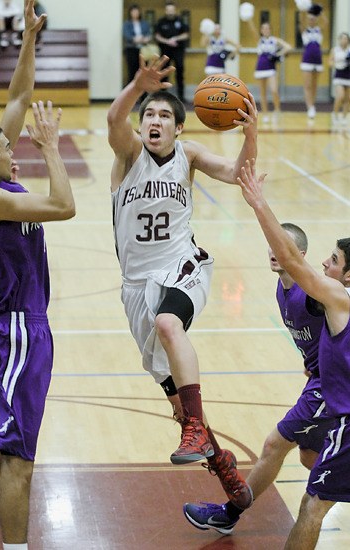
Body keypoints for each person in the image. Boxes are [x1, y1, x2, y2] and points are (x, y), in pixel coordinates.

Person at [107, 53, 258, 509]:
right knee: (180, 408)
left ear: (179, 128)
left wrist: (251, 135)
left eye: (164, 115)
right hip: (136, 288)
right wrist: (137, 85)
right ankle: (226, 471)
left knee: (171, 325)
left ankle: (198, 432)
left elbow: (236, 173)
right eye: (149, 114)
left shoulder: (187, 156)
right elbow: (115, 118)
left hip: (182, 265)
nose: (154, 120)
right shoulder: (128, 153)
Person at [0, 1, 75, 548]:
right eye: (6, 153)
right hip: (18, 329)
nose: (13, 153)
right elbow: (63, 206)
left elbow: (16, 98)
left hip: (2, 326)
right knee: (19, 459)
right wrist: (51, 150)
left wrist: (28, 41)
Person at [183, 222, 335, 535]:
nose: (274, 250)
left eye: (283, 245)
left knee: (274, 444)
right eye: (271, 243)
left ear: (300, 255)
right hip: (317, 380)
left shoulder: (312, 291)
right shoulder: (282, 289)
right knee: (309, 456)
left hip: (330, 387)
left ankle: (229, 513)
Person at [230, 158, 350, 549]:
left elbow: (294, 260)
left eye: (332, 262)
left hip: (346, 418)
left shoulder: (338, 297)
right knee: (307, 459)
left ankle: (231, 511)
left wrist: (259, 204)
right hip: (335, 406)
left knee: (312, 508)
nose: (324, 265)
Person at [245, 18, 292, 123]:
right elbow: (252, 30)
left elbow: (288, 47)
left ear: (270, 30)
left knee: (274, 90)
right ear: (261, 30)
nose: (266, 30)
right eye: (264, 28)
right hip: (260, 68)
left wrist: (278, 54)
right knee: (263, 93)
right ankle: (265, 114)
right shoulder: (259, 40)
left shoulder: (274, 40)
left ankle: (277, 111)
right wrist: (249, 19)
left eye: (267, 28)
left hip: (271, 68)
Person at [155, 1, 189, 103]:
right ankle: (162, 96)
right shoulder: (161, 22)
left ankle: (181, 97)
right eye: (168, 10)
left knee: (180, 72)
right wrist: (167, 41)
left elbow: (186, 34)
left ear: (174, 10)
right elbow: (157, 36)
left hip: (178, 50)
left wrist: (175, 38)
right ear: (166, 10)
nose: (170, 12)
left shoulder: (180, 21)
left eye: (172, 10)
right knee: (164, 73)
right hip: (165, 51)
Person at [299, 3, 328, 119]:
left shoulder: (319, 30)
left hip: (318, 60)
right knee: (307, 85)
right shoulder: (305, 31)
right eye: (309, 19)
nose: (311, 21)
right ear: (307, 20)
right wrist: (302, 9)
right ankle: (309, 107)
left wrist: (320, 12)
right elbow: (300, 22)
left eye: (313, 19)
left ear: (315, 20)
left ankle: (312, 105)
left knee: (315, 85)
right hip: (307, 60)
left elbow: (326, 22)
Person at [123, 4, 151, 85]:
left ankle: (143, 96)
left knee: (144, 73)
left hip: (143, 50)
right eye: (133, 11)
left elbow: (148, 34)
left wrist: (145, 39)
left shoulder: (144, 23)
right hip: (131, 49)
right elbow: (127, 36)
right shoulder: (127, 24)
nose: (135, 13)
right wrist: (136, 39)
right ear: (130, 13)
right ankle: (131, 94)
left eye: (136, 11)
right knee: (132, 72)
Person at [329, 32, 350, 126]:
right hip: (339, 74)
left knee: (348, 98)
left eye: (346, 39)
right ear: (339, 40)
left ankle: (344, 117)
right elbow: (329, 62)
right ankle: (335, 114)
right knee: (340, 95)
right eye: (342, 38)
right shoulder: (335, 50)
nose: (344, 40)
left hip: (348, 75)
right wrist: (337, 64)